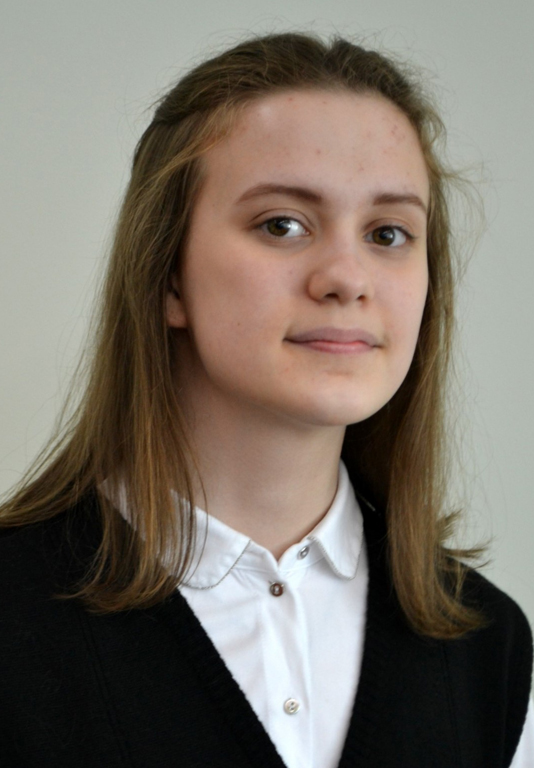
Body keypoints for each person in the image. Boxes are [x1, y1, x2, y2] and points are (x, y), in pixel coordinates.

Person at [0, 32, 532, 768]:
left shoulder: (490, 650)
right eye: (282, 224)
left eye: (388, 233)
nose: (347, 277)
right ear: (168, 274)